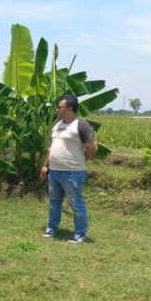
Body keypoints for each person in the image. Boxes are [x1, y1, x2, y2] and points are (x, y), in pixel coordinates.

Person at [40, 94, 98, 244]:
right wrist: (46, 165)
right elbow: (51, 148)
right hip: (54, 172)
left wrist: (82, 160)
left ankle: (80, 234)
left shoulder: (81, 125)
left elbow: (92, 148)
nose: (57, 109)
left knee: (76, 204)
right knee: (54, 202)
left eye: (59, 107)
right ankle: (52, 229)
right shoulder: (58, 125)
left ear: (69, 109)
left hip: (73, 173)